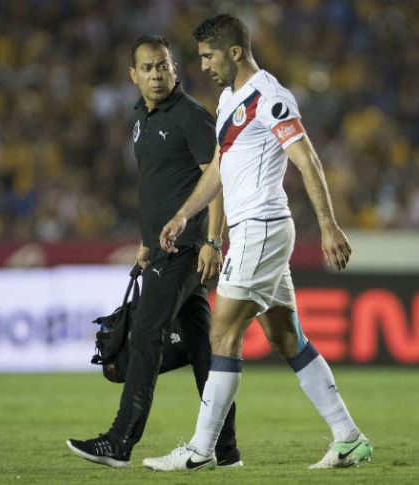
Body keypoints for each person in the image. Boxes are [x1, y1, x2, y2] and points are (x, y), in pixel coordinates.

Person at [142, 14, 372, 471]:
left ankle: (202, 450)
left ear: (234, 52)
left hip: (261, 228)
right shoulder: (230, 99)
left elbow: (307, 160)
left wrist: (328, 225)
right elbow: (218, 170)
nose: (203, 66)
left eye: (208, 56)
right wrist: (183, 215)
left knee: (222, 333)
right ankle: (349, 438)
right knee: (286, 337)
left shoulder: (270, 97)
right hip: (256, 231)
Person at [66, 35, 241, 469]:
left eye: (163, 66)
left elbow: (217, 180)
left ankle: (119, 441)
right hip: (161, 249)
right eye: (147, 68)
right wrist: (146, 241)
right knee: (202, 347)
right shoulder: (141, 119)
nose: (156, 75)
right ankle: (225, 449)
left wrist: (212, 241)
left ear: (175, 69)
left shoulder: (190, 116)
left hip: (186, 249)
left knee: (145, 336)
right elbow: (160, 185)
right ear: (134, 75)